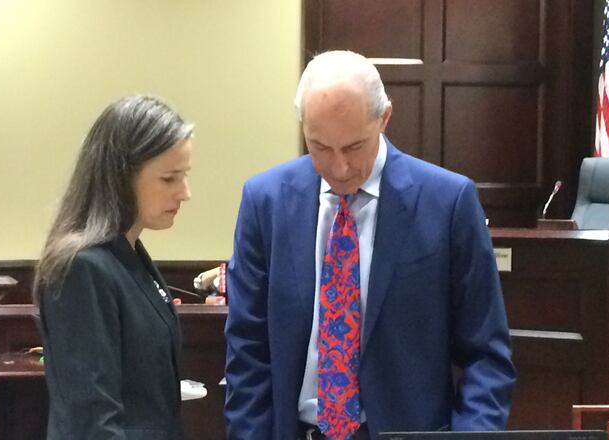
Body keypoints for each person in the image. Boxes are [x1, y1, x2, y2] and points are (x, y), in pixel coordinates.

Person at [224, 50, 516, 440]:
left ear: (385, 118)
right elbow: (247, 349)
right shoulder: (266, 201)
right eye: (320, 147)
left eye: (354, 147)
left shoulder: (447, 202)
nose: (339, 168)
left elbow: (487, 356)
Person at [33, 95, 193, 440]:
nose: (185, 193)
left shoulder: (129, 255)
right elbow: (92, 420)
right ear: (121, 176)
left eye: (184, 176)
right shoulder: (83, 268)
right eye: (169, 179)